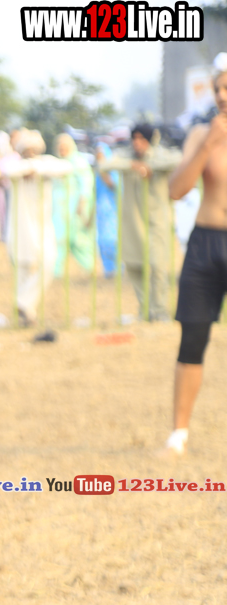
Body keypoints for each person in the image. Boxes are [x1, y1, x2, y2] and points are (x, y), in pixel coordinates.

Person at [165, 62, 227, 456]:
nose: (222, 96)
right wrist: (208, 146)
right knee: (192, 338)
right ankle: (178, 435)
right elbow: (176, 190)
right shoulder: (202, 134)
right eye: (218, 89)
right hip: (205, 244)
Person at [97, 122, 181, 323]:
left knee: (158, 266)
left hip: (157, 221)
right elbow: (104, 165)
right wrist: (132, 166)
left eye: (142, 139)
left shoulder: (160, 155)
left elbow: (179, 159)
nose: (137, 143)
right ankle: (146, 310)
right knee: (134, 265)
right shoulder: (126, 156)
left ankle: (160, 311)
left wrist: (150, 166)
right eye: (134, 138)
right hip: (133, 221)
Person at [0, 130, 73, 326]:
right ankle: (27, 315)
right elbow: (8, 171)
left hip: (42, 225)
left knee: (49, 261)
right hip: (20, 226)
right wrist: (28, 169)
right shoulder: (16, 166)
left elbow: (66, 167)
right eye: (27, 148)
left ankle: (22, 302)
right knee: (23, 268)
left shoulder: (45, 164)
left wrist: (35, 169)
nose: (31, 152)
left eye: (34, 148)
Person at [53, 133, 96, 275]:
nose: (62, 149)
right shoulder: (58, 163)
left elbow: (86, 184)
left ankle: (88, 270)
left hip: (76, 208)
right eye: (60, 147)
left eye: (65, 146)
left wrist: (82, 203)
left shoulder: (79, 162)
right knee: (59, 239)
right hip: (59, 211)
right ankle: (56, 272)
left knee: (79, 241)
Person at [94, 141, 121, 278]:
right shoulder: (96, 173)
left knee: (112, 240)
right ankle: (108, 270)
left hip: (113, 211)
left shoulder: (113, 170)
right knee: (101, 241)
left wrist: (104, 172)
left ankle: (119, 269)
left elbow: (115, 186)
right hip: (101, 212)